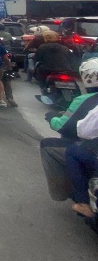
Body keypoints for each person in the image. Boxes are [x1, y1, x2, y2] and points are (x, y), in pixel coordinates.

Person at [39, 58, 98, 202]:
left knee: (51, 146)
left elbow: (65, 127)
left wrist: (51, 118)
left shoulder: (83, 100)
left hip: (91, 151)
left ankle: (72, 195)